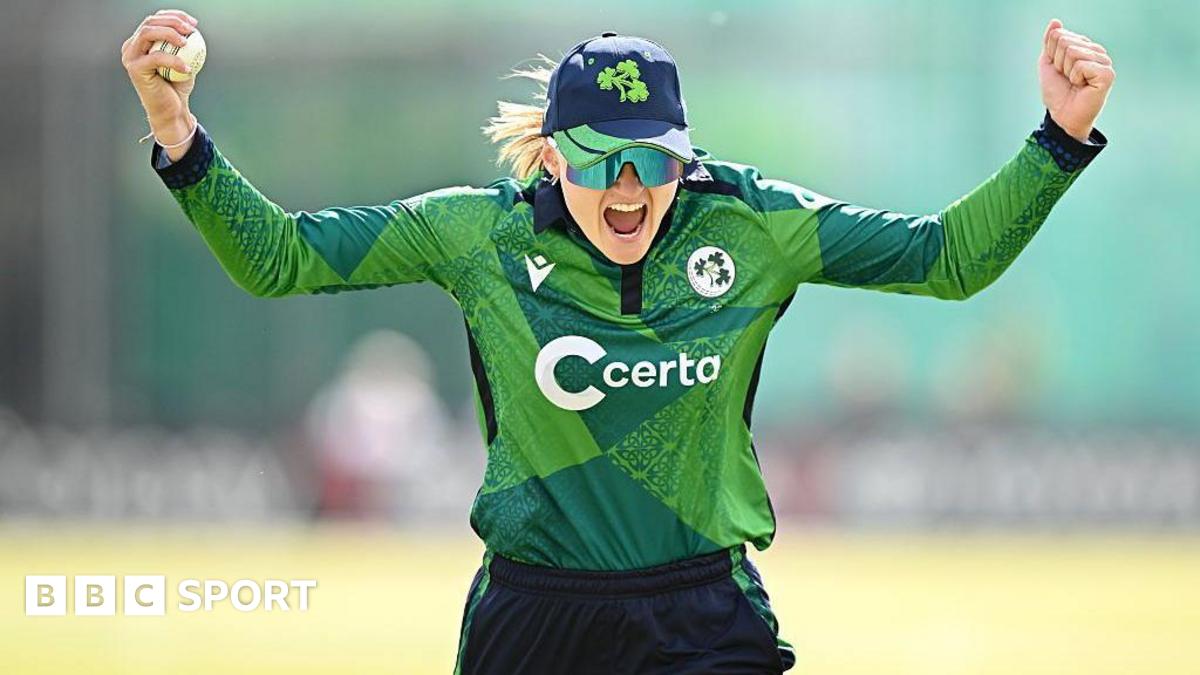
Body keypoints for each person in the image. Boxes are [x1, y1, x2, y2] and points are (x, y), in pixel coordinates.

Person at [121, 10, 1114, 674]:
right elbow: (282, 259)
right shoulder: (479, 233)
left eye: (654, 160)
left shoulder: (751, 225)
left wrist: (1058, 139)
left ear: (685, 154)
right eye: (604, 162)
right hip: (533, 615)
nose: (630, 188)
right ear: (555, 156)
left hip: (703, 611)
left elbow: (946, 259)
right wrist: (177, 133)